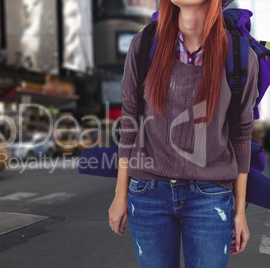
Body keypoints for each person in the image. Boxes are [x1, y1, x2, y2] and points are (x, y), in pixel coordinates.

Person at [108, 0, 257, 267]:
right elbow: (129, 121)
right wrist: (120, 195)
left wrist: (240, 211)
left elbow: (241, 134)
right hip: (148, 193)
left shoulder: (239, 55)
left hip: (210, 196)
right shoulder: (144, 45)